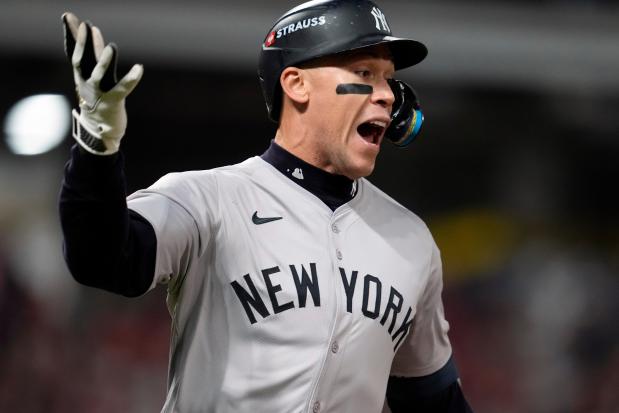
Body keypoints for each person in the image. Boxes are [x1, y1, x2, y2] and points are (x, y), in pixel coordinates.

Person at [59, 1, 474, 412]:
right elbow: (101, 259)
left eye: (389, 80)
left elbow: (433, 400)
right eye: (365, 74)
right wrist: (97, 146)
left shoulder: (411, 240)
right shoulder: (208, 200)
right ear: (296, 84)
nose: (387, 95)